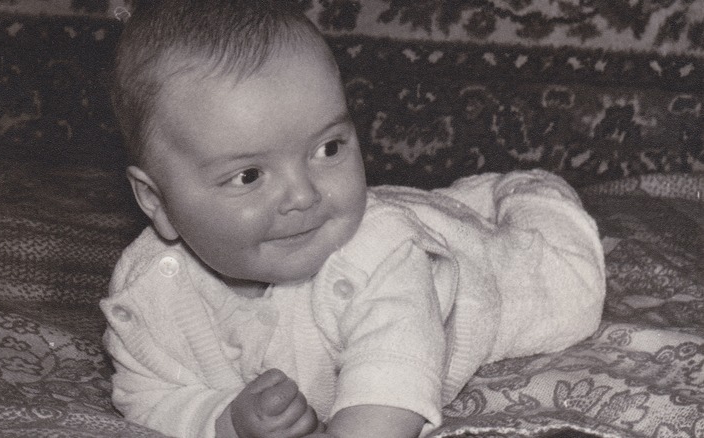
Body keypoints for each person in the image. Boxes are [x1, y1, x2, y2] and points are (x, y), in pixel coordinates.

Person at [100, 1, 606, 437]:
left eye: (329, 147)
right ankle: (459, 200)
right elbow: (149, 392)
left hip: (477, 276)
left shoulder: (383, 257)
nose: (303, 194)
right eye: (249, 176)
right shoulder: (148, 294)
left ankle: (530, 190)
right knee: (409, 207)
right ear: (157, 202)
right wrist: (227, 421)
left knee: (569, 292)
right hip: (393, 216)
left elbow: (394, 371)